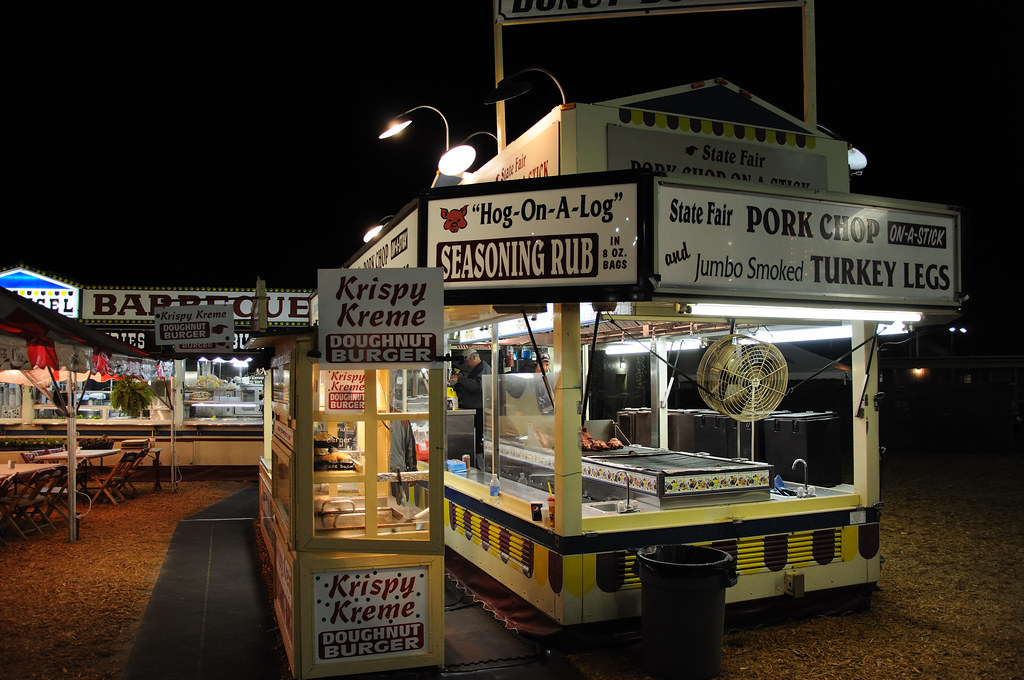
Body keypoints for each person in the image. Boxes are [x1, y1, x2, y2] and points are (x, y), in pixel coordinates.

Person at [449, 348, 490, 464]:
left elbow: (479, 386)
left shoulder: (483, 369)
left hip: (480, 412)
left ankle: (480, 464)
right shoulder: (476, 370)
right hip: (474, 411)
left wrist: (460, 379)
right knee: (475, 442)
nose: (466, 365)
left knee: (479, 443)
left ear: (473, 357)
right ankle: (477, 462)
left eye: (467, 361)